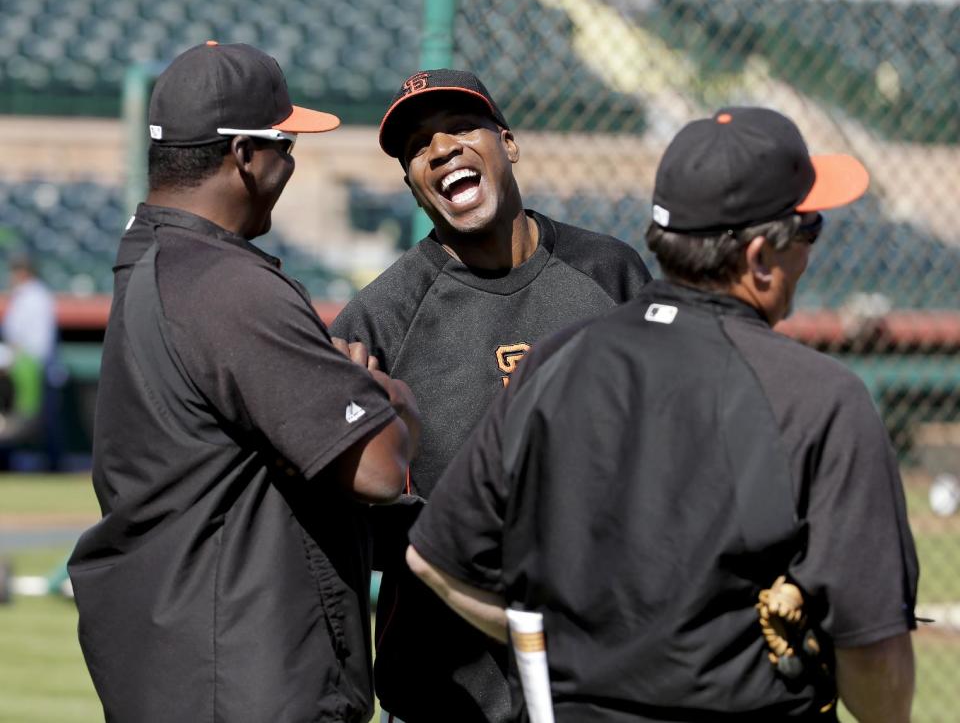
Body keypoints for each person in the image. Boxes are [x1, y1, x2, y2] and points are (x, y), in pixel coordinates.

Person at [407, 107, 919, 722]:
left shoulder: (554, 363)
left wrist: (569, 645)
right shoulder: (820, 398)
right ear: (759, 257)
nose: (809, 248)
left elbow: (433, 560)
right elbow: (880, 687)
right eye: (808, 227)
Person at [67, 42, 421, 723]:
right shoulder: (226, 283)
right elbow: (380, 467)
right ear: (244, 157)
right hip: (247, 678)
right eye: (285, 145)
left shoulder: (151, 255)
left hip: (180, 663)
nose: (289, 164)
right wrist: (389, 394)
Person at [331, 69, 652, 722]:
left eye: (458, 127)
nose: (441, 148)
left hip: (600, 677)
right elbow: (344, 520)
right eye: (419, 146)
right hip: (448, 690)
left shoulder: (610, 274)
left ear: (507, 143)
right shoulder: (377, 321)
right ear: (412, 183)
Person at [0, 254, 60, 468]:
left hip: (35, 366)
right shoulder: (23, 296)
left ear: (23, 272)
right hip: (22, 365)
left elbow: (37, 341)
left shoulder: (36, 296)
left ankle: (54, 465)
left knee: (40, 420)